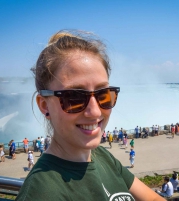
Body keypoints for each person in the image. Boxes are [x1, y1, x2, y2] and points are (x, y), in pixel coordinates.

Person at [16, 30, 163, 200]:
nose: (95, 111)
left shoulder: (101, 156)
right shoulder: (42, 193)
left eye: (103, 94)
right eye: (74, 98)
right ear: (44, 105)